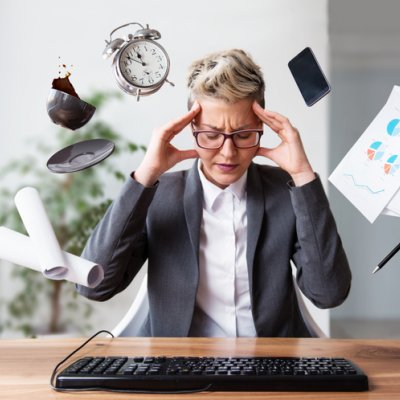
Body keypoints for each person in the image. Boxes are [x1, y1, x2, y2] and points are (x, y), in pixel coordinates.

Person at [77, 49, 351, 337]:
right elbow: (93, 285)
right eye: (211, 135)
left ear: (262, 127)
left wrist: (303, 175)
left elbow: (329, 294)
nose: (228, 152)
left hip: (270, 367)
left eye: (244, 135)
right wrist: (145, 176)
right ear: (191, 127)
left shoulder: (287, 191)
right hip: (180, 368)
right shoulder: (159, 195)